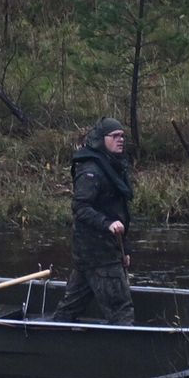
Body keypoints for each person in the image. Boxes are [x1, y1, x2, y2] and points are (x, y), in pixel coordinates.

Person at [51, 117, 135, 325]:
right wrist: (107, 223)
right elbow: (80, 208)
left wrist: (125, 249)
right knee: (121, 310)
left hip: (102, 251)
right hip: (98, 253)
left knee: (71, 306)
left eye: (122, 136)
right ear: (101, 139)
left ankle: (53, 337)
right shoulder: (91, 170)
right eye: (115, 136)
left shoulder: (114, 167)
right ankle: (127, 353)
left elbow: (120, 212)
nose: (120, 140)